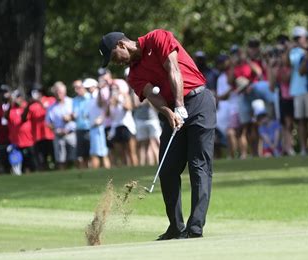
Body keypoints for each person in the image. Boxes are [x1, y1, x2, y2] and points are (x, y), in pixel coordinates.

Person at [99, 29, 216, 239]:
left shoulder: (158, 38)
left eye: (114, 57)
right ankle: (176, 227)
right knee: (168, 168)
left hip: (198, 102)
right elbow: (153, 96)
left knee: (199, 165)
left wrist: (179, 105)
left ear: (122, 45)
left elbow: (173, 69)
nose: (115, 63)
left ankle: (195, 228)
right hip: (173, 111)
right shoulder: (134, 74)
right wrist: (169, 112)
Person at [287, 26, 308, 155]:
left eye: (299, 38)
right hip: (298, 89)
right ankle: (303, 148)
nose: (297, 40)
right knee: (301, 120)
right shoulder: (294, 52)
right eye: (295, 38)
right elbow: (289, 64)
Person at [46, 81, 77, 170]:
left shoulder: (72, 102)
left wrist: (70, 117)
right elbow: (48, 123)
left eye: (60, 92)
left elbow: (78, 115)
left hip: (72, 134)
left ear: (64, 92)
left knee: (76, 158)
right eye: (56, 92)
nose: (58, 94)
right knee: (61, 160)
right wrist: (56, 130)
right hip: (58, 135)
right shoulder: (51, 107)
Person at [5, 91, 37, 173]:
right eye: (16, 97)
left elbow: (24, 118)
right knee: (19, 168)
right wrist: (10, 104)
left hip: (29, 141)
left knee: (31, 165)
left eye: (18, 97)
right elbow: (6, 116)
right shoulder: (11, 110)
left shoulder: (26, 107)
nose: (17, 99)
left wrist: (27, 106)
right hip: (16, 143)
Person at [25, 86, 56, 170]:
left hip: (51, 135)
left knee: (55, 157)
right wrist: (28, 105)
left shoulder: (51, 100)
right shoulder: (32, 106)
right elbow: (24, 119)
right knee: (42, 161)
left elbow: (52, 112)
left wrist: (40, 102)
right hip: (38, 137)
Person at [107, 83, 138, 167]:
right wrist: (110, 103)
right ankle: (125, 168)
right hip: (116, 127)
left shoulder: (124, 96)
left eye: (115, 88)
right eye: (112, 89)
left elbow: (128, 107)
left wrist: (119, 101)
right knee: (120, 152)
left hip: (127, 126)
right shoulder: (110, 100)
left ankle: (135, 167)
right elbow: (108, 115)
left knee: (131, 151)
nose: (114, 91)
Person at [84, 78, 111, 169]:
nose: (87, 89)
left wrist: (101, 118)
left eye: (89, 87)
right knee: (94, 152)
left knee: (103, 152)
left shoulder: (98, 96)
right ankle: (97, 171)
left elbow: (105, 107)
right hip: (92, 127)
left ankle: (107, 171)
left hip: (100, 127)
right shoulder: (89, 98)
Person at [72, 80, 91, 168]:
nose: (76, 90)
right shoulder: (75, 100)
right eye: (75, 88)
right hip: (79, 129)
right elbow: (74, 115)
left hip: (90, 128)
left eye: (78, 87)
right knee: (82, 155)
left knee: (91, 153)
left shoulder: (90, 97)